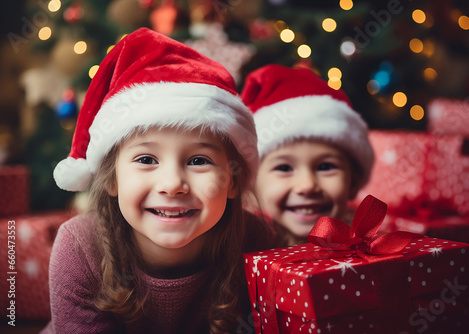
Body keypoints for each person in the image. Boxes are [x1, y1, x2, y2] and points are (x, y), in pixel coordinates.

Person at [42, 28, 273, 334]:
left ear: (232, 180)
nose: (172, 184)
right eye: (146, 160)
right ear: (112, 180)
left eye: (198, 161)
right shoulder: (80, 247)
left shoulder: (254, 241)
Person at [241, 64, 374, 246]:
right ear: (251, 186)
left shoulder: (369, 243)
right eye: (284, 168)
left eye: (326, 167)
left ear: (353, 182)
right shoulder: (240, 247)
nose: (307, 186)